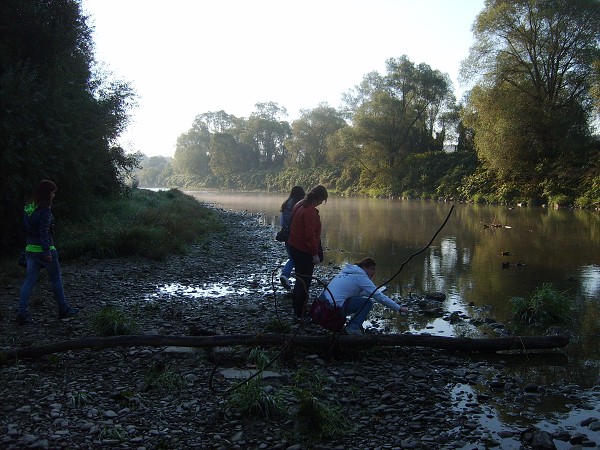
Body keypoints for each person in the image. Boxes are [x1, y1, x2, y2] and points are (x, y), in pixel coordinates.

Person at [17, 180, 79, 325]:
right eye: (52, 192)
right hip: (45, 250)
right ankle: (63, 310)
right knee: (56, 279)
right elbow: (44, 232)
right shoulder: (45, 210)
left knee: (29, 281)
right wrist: (46, 251)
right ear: (47, 193)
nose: (54, 195)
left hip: (30, 249)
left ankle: (21, 313)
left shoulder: (29, 206)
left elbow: (25, 227)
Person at [318, 257, 409, 335]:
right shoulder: (361, 277)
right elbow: (379, 297)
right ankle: (352, 328)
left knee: (358, 298)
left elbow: (353, 292)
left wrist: (371, 292)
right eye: (372, 269)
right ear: (364, 267)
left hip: (322, 305)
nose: (374, 272)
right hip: (332, 309)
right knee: (367, 303)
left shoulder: (348, 271)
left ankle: (351, 324)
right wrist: (399, 308)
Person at [287, 184, 328, 322]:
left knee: (300, 278)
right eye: (322, 200)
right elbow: (309, 236)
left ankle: (296, 309)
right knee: (304, 281)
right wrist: (315, 254)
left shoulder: (300, 203)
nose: (321, 203)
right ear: (317, 198)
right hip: (303, 250)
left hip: (294, 246)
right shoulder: (309, 211)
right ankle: (300, 314)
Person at [278, 185, 306, 290]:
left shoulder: (285, 204)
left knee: (292, 256)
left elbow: (281, 222)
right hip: (296, 236)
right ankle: (286, 275)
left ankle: (290, 278)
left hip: (286, 235)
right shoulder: (300, 205)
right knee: (295, 258)